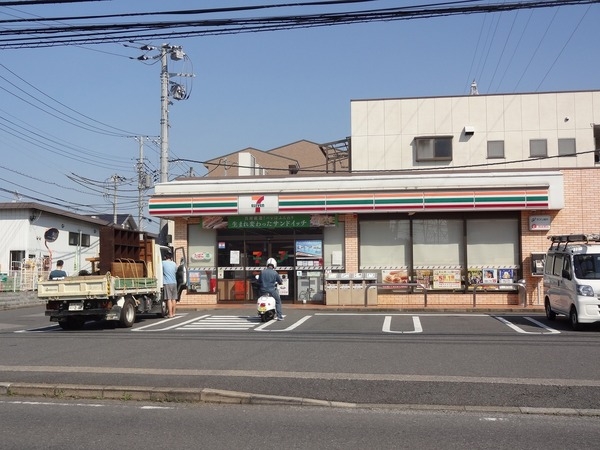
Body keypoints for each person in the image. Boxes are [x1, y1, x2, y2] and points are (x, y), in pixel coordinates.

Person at [162, 252, 178, 318]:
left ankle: (170, 314)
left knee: (168, 299)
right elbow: (176, 271)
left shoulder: (163, 263)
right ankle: (174, 313)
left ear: (165, 257)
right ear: (171, 257)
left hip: (167, 283)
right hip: (174, 282)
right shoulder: (174, 264)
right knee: (174, 299)